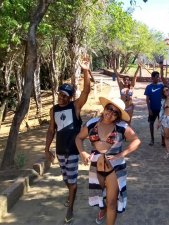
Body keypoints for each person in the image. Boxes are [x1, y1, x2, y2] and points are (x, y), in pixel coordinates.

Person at [75, 97, 141, 225]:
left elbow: (136, 140)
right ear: (105, 108)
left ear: (118, 116)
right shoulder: (92, 123)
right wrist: (82, 152)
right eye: (109, 109)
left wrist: (122, 153)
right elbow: (79, 138)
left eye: (115, 112)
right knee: (100, 195)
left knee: (112, 202)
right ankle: (102, 209)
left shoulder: (122, 127)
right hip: (96, 167)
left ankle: (107, 213)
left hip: (114, 169)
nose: (110, 113)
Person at [44, 57, 91, 224]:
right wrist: (46, 148)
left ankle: (70, 207)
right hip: (60, 151)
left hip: (72, 151)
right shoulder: (53, 110)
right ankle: (70, 195)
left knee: (72, 181)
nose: (61, 98)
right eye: (60, 95)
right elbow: (51, 130)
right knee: (66, 179)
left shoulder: (75, 107)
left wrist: (85, 70)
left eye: (65, 96)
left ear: (70, 97)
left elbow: (86, 91)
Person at [144, 68, 164, 146]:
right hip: (153, 109)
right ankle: (152, 140)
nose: (158, 78)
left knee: (162, 124)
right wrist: (149, 110)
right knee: (151, 124)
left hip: (161, 109)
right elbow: (147, 99)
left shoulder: (161, 86)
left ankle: (163, 140)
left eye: (158, 76)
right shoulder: (149, 87)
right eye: (156, 77)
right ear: (152, 78)